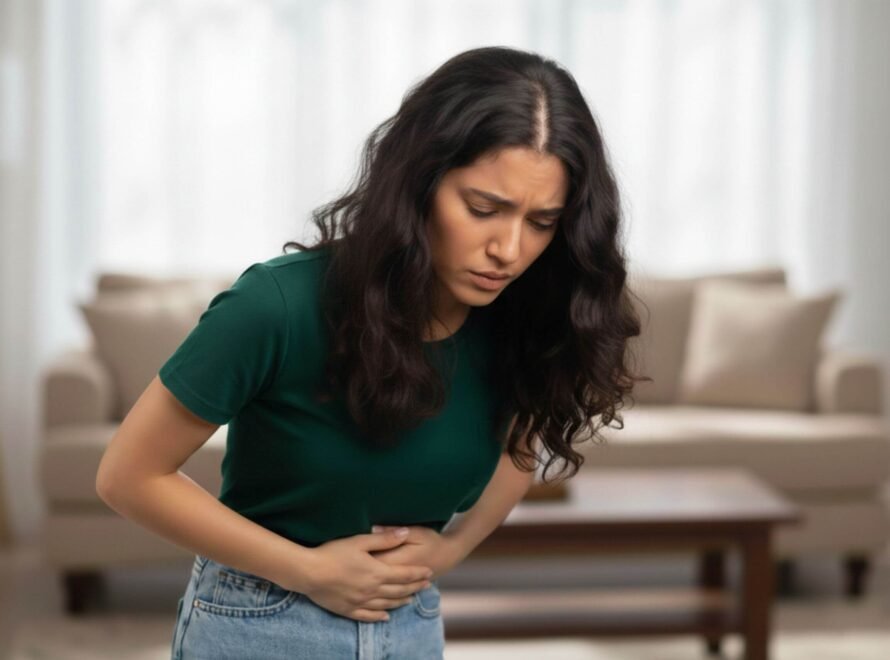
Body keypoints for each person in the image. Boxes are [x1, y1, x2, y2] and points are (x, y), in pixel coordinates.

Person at [95, 45, 645, 660]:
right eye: (483, 209)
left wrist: (450, 550)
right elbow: (127, 475)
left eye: (541, 222)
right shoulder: (277, 305)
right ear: (419, 181)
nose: (509, 249)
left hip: (409, 623)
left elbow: (522, 445)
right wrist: (308, 570)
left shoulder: (522, 316)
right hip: (258, 622)